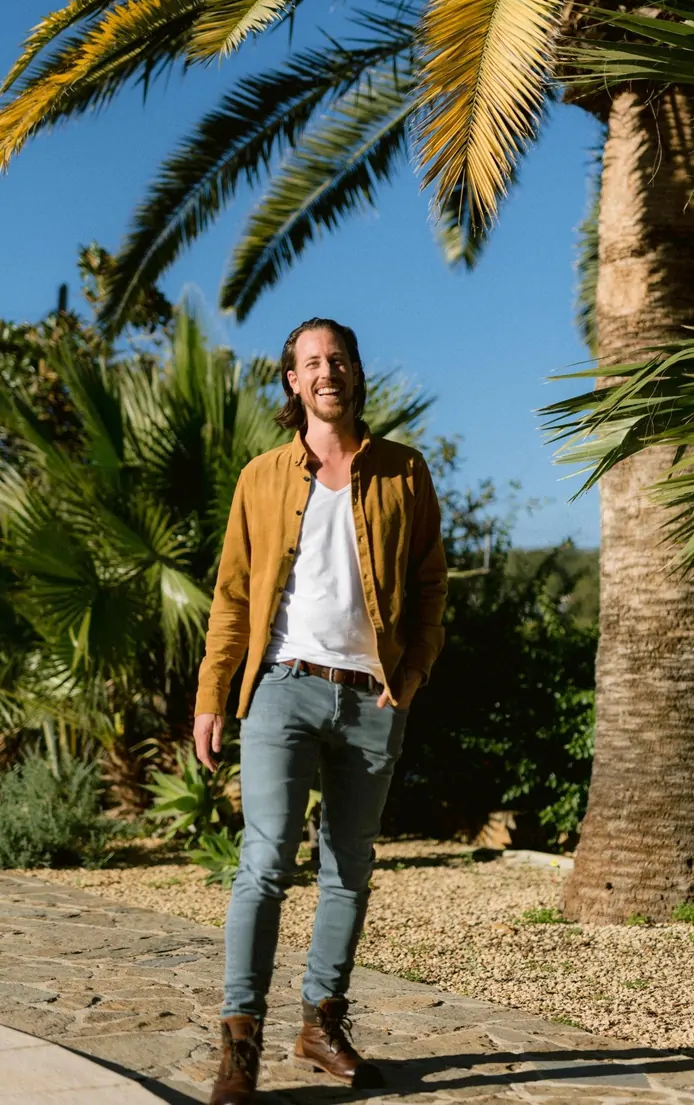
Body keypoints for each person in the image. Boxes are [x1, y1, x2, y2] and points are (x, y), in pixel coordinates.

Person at [193, 318, 448, 1105]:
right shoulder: (262, 477)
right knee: (265, 861)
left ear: (355, 372)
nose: (327, 371)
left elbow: (432, 584)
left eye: (338, 358)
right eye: (312, 362)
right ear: (293, 381)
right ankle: (240, 1042)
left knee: (349, 867)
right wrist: (211, 695)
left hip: (373, 696)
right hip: (283, 686)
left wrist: (412, 671)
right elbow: (233, 596)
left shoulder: (405, 471)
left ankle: (321, 1022)